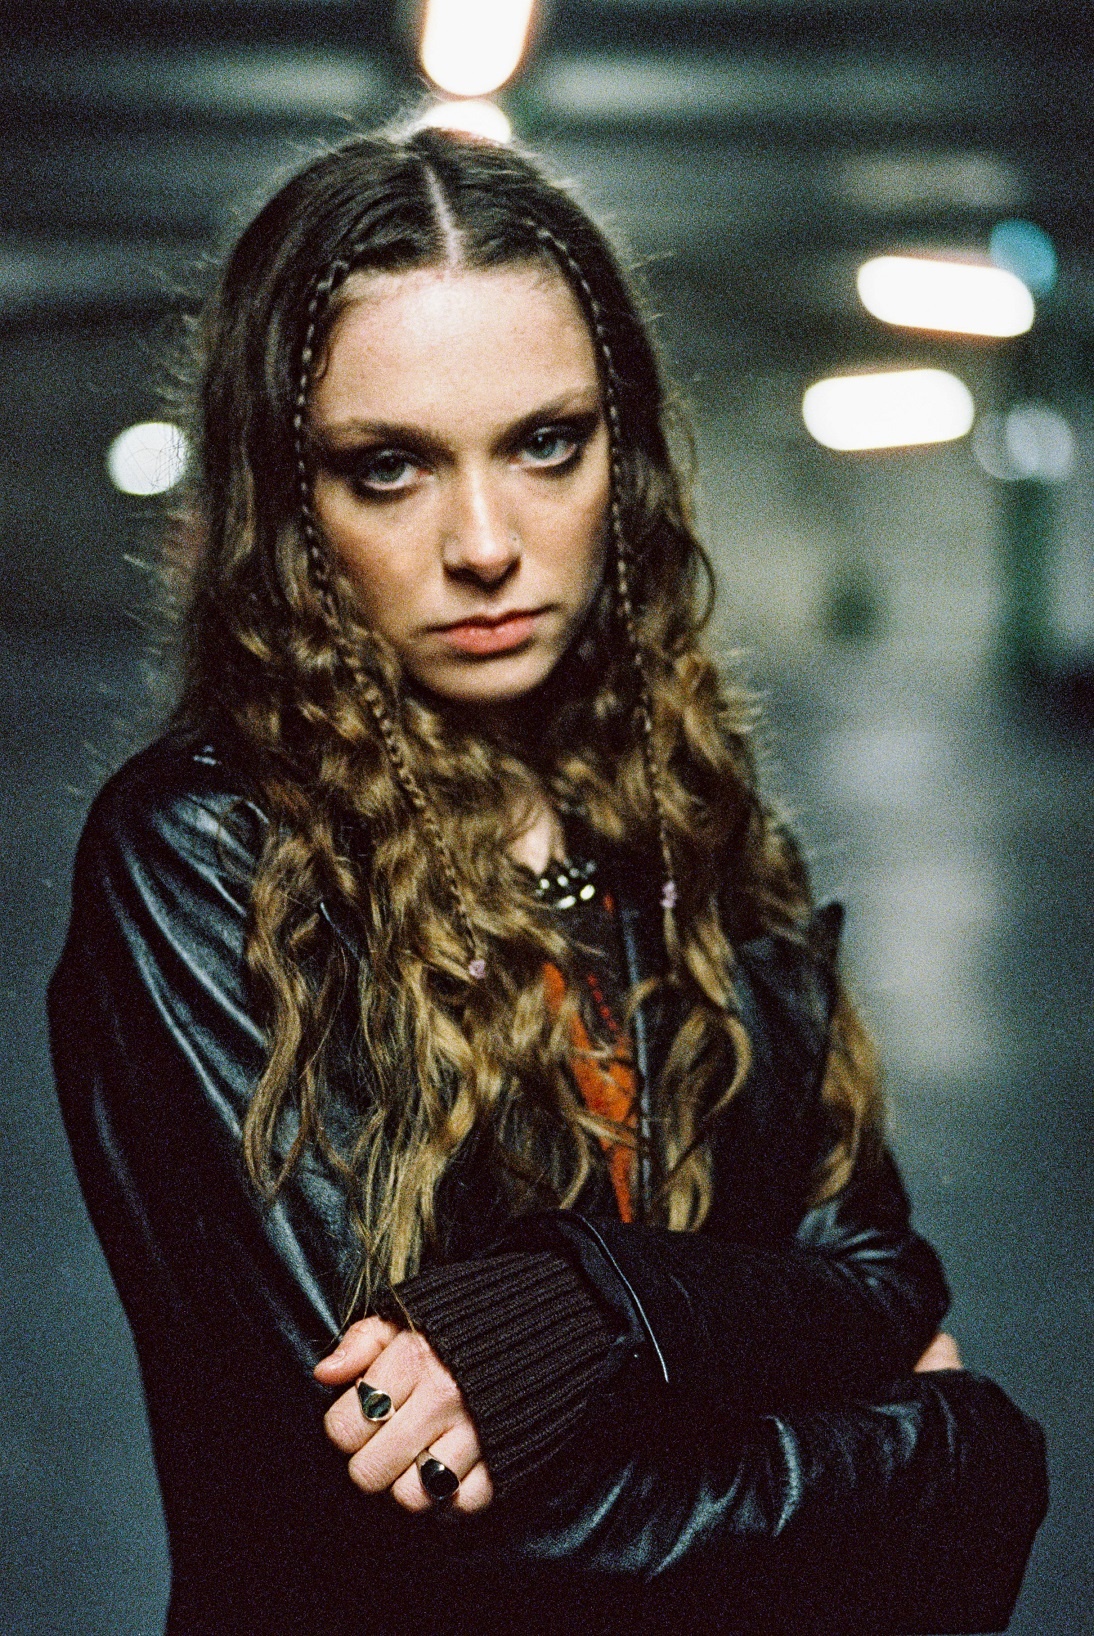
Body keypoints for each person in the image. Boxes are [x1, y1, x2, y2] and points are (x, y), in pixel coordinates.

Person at [48, 125, 1046, 1636]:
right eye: (387, 467)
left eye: (544, 444)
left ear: (618, 455)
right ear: (287, 502)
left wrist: (591, 1309)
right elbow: (429, 1523)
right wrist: (950, 1457)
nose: (484, 544)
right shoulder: (206, 855)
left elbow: (880, 1274)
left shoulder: (688, 811)